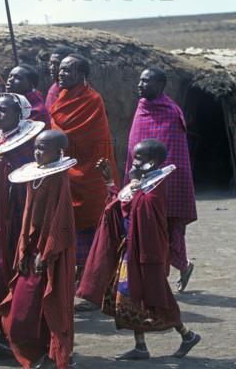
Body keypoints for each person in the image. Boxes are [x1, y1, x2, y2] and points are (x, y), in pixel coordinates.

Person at [79, 140, 201, 361]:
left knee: (152, 297)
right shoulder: (144, 182)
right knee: (130, 297)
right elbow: (124, 204)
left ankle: (187, 334)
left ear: (152, 162)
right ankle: (142, 346)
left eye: (138, 159)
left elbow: (140, 208)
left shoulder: (156, 186)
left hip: (146, 254)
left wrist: (134, 184)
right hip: (131, 250)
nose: (133, 164)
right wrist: (109, 181)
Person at [0, 130, 76, 369]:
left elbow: (60, 217)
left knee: (52, 301)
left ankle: (56, 355)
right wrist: (24, 248)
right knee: (22, 309)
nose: (38, 152)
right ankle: (41, 352)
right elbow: (28, 215)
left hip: (51, 251)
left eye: (45, 148)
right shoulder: (35, 174)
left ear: (59, 152)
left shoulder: (58, 178)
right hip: (32, 249)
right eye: (36, 147)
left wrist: (46, 252)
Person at [0, 93, 45, 360]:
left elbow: (30, 176)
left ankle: (11, 338)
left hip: (15, 219)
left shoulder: (28, 143)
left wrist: (1, 168)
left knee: (10, 271)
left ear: (20, 114)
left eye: (3, 110)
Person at [49, 54, 118, 297]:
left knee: (95, 235)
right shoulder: (60, 98)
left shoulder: (92, 100)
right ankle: (79, 286)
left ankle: (101, 289)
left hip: (90, 176)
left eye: (68, 71)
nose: (61, 73)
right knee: (69, 234)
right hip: (66, 176)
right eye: (61, 70)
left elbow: (86, 138)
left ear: (82, 75)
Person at [126, 67, 197, 293]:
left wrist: (159, 178)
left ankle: (179, 268)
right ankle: (153, 278)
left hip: (166, 182)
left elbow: (174, 153)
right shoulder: (141, 108)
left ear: (160, 85)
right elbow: (134, 148)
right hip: (141, 180)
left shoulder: (170, 111)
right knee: (142, 226)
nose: (140, 85)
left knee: (166, 226)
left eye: (146, 81)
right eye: (139, 80)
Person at [45, 46, 74, 110]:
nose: (51, 68)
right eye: (51, 63)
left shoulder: (77, 93)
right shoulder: (53, 89)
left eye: (57, 64)